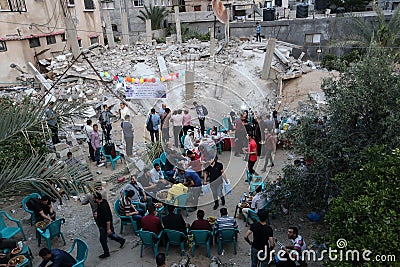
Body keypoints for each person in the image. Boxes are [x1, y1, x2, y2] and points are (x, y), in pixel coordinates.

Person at [93, 192, 126, 258]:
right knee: (110, 234)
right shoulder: (103, 202)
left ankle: (106, 253)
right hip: (105, 223)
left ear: (97, 199)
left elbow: (107, 219)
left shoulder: (103, 207)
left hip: (104, 225)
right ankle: (121, 240)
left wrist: (108, 228)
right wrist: (98, 214)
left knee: (102, 239)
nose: (93, 199)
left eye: (94, 198)